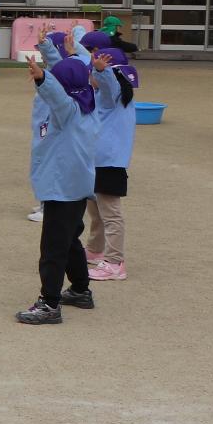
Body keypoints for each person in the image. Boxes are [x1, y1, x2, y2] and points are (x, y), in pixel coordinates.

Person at [17, 37, 119, 325]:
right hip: (72, 186)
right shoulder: (85, 103)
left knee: (52, 248)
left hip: (62, 188)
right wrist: (48, 49)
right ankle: (80, 289)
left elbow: (58, 94)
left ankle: (49, 304)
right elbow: (69, 73)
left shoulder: (68, 112)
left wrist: (43, 78)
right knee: (70, 239)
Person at [78, 31, 136, 281]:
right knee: (96, 210)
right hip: (97, 160)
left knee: (110, 213)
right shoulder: (105, 96)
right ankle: (94, 250)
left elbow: (111, 82)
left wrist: (102, 71)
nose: (89, 74)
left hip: (109, 162)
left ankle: (115, 262)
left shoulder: (114, 96)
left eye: (94, 71)